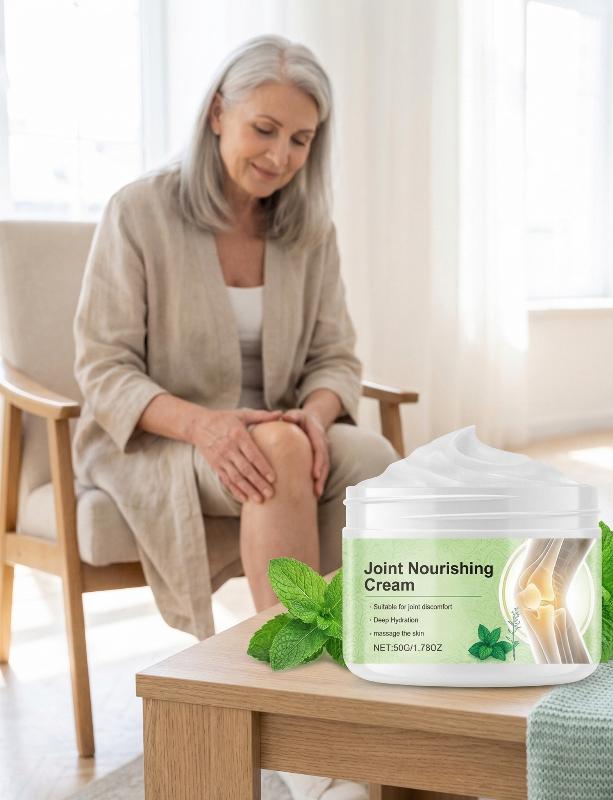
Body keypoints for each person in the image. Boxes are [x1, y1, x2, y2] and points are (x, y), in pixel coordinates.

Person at [72, 35, 398, 641]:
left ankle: (365, 646)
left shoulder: (311, 230)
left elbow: (335, 356)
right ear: (219, 113)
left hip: (282, 426)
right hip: (161, 439)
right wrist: (207, 427)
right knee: (277, 453)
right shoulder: (138, 211)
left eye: (301, 139)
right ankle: (289, 669)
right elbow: (104, 367)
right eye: (265, 129)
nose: (280, 156)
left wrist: (313, 417)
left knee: (373, 458)